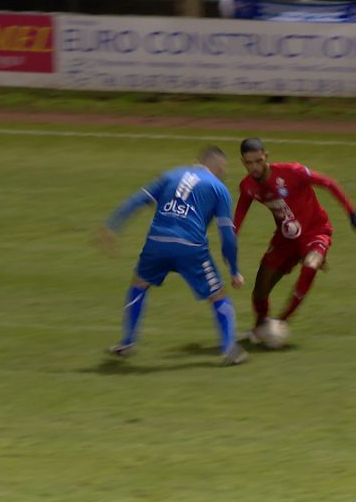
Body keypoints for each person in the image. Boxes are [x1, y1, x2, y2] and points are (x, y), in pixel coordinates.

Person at [100, 146, 247, 366]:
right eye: (224, 168)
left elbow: (137, 200)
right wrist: (234, 270)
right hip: (190, 247)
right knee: (218, 295)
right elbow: (227, 236)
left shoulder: (170, 174)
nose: (224, 173)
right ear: (216, 165)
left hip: (157, 243)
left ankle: (127, 342)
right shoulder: (218, 188)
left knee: (139, 284)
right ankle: (229, 349)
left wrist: (112, 225)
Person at [233, 137, 356, 340]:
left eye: (258, 161)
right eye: (249, 163)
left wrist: (352, 213)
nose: (255, 167)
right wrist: (230, 240)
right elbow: (239, 217)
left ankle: (281, 322)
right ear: (243, 162)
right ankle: (261, 327)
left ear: (266, 157)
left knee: (311, 265)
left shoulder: (292, 172)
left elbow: (328, 183)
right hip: (284, 241)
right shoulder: (248, 186)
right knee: (260, 290)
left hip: (316, 232)